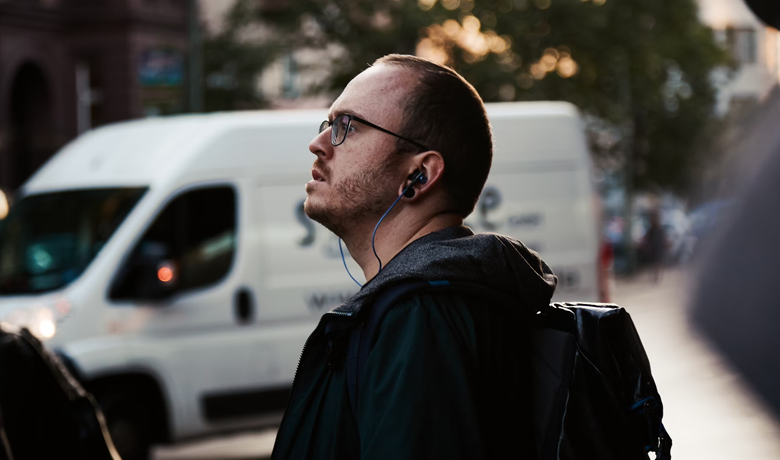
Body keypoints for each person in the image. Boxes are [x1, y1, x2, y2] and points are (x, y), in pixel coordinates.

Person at [271, 54, 557, 460]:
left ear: (419, 175)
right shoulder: (426, 306)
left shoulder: (420, 316)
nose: (318, 145)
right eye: (327, 124)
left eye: (346, 127)